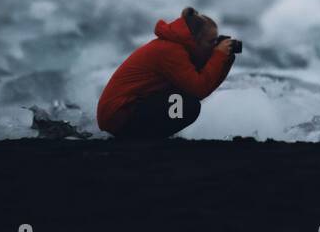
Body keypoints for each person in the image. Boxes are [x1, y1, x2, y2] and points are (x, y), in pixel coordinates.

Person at [97, 7, 236, 139]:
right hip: (119, 114)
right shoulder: (170, 51)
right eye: (211, 42)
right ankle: (145, 139)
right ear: (194, 40)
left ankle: (147, 137)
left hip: (125, 110)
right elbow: (199, 89)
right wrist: (219, 55)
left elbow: (204, 86)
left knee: (185, 100)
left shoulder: (177, 47)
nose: (214, 47)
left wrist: (225, 60)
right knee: (186, 105)